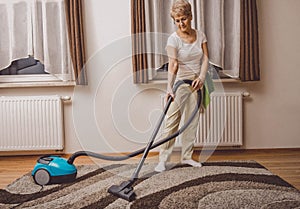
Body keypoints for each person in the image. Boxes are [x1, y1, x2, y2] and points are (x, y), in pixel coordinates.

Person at [155, 0, 209, 172]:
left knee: (191, 122)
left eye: (183, 19)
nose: (181, 23)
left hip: (197, 84)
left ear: (191, 17)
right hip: (180, 84)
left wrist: (201, 77)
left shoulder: (200, 35)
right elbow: (173, 65)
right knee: (172, 122)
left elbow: (206, 58)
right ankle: (163, 159)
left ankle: (187, 156)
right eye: (177, 20)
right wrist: (169, 88)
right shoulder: (173, 40)